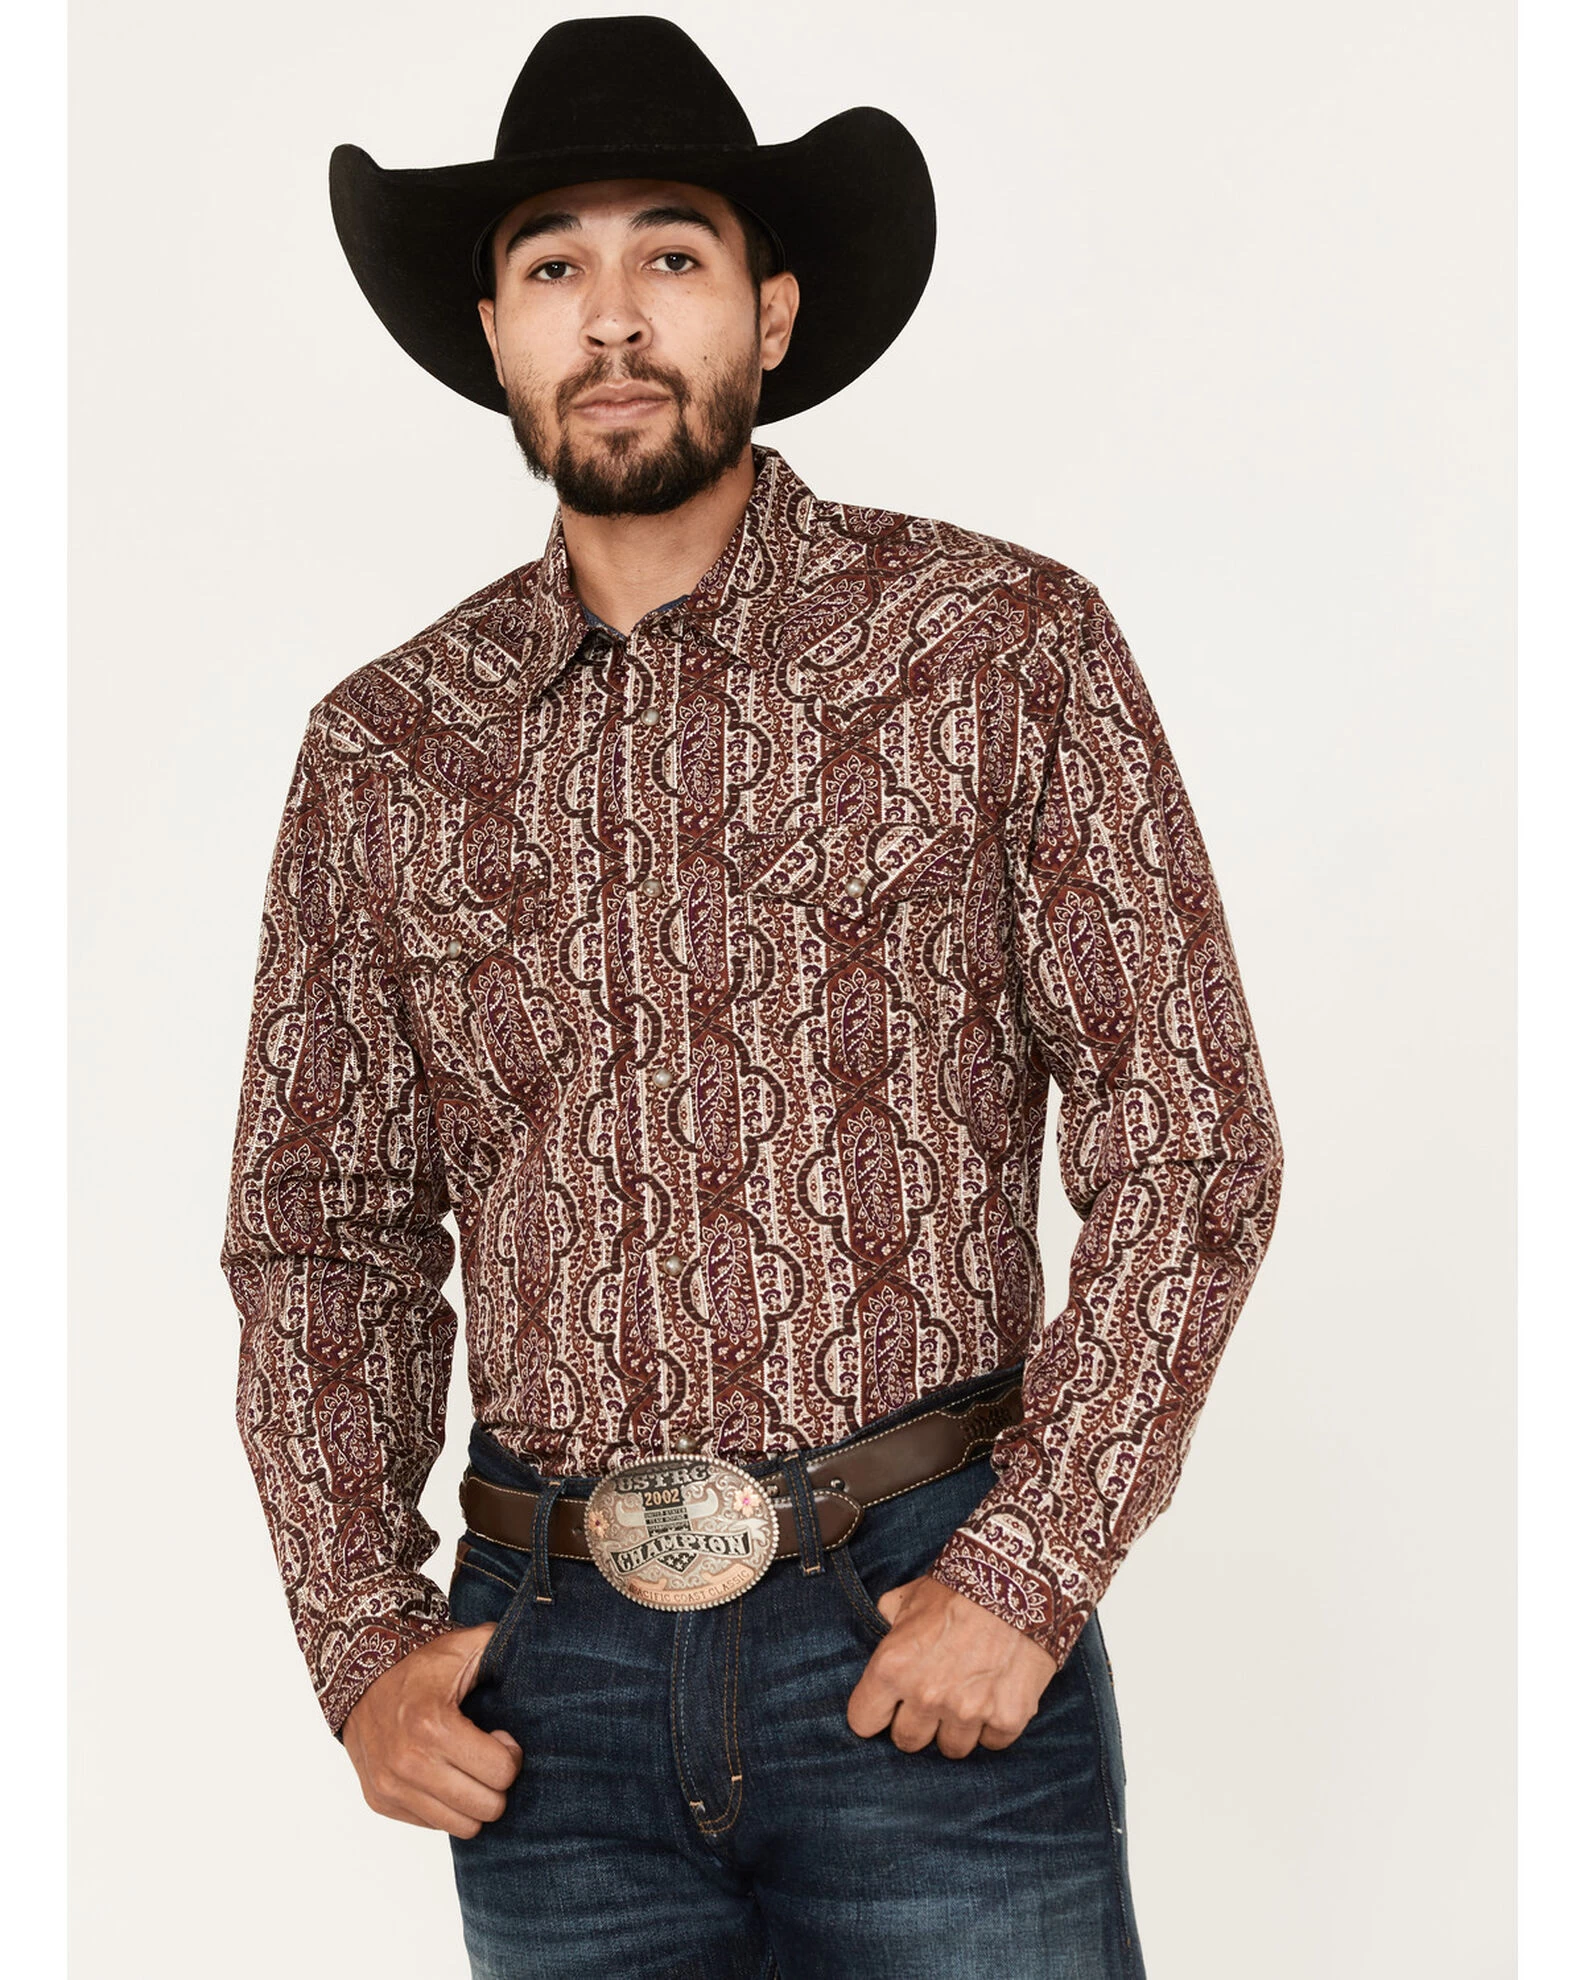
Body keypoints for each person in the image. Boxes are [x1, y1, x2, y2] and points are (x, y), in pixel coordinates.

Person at [221, 16, 1284, 1978]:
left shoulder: (995, 646)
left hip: (921, 1629)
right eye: (556, 265)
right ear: (496, 332)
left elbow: (1191, 1137)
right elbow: (320, 1232)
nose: (614, 316)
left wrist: (1032, 1570)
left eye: (674, 254)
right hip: (549, 1696)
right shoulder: (384, 749)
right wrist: (359, 1640)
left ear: (771, 311)